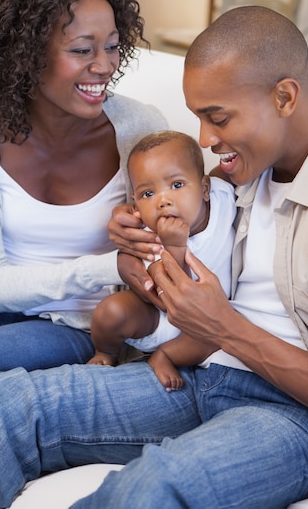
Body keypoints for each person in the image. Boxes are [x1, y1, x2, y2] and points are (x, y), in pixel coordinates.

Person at [0, 5, 308, 509]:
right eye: (199, 117)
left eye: (216, 117)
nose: (204, 139)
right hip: (190, 374)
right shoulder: (240, 170)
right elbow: (194, 222)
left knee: (151, 489)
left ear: (284, 96)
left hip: (293, 412)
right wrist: (140, 226)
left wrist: (225, 329)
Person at [0, 0, 168, 438]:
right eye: (83, 50)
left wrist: (149, 231)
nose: (105, 65)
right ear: (24, 52)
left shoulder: (139, 129)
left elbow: (185, 235)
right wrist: (108, 264)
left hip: (72, 321)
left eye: (113, 46)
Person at [88, 130, 235, 391]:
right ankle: (106, 352)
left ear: (204, 188)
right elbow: (174, 298)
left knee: (227, 333)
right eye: (147, 194)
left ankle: (164, 356)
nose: (163, 201)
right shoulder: (147, 238)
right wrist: (174, 246)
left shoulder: (224, 196)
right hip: (160, 316)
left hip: (208, 325)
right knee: (110, 313)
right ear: (134, 204)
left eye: (177, 185)